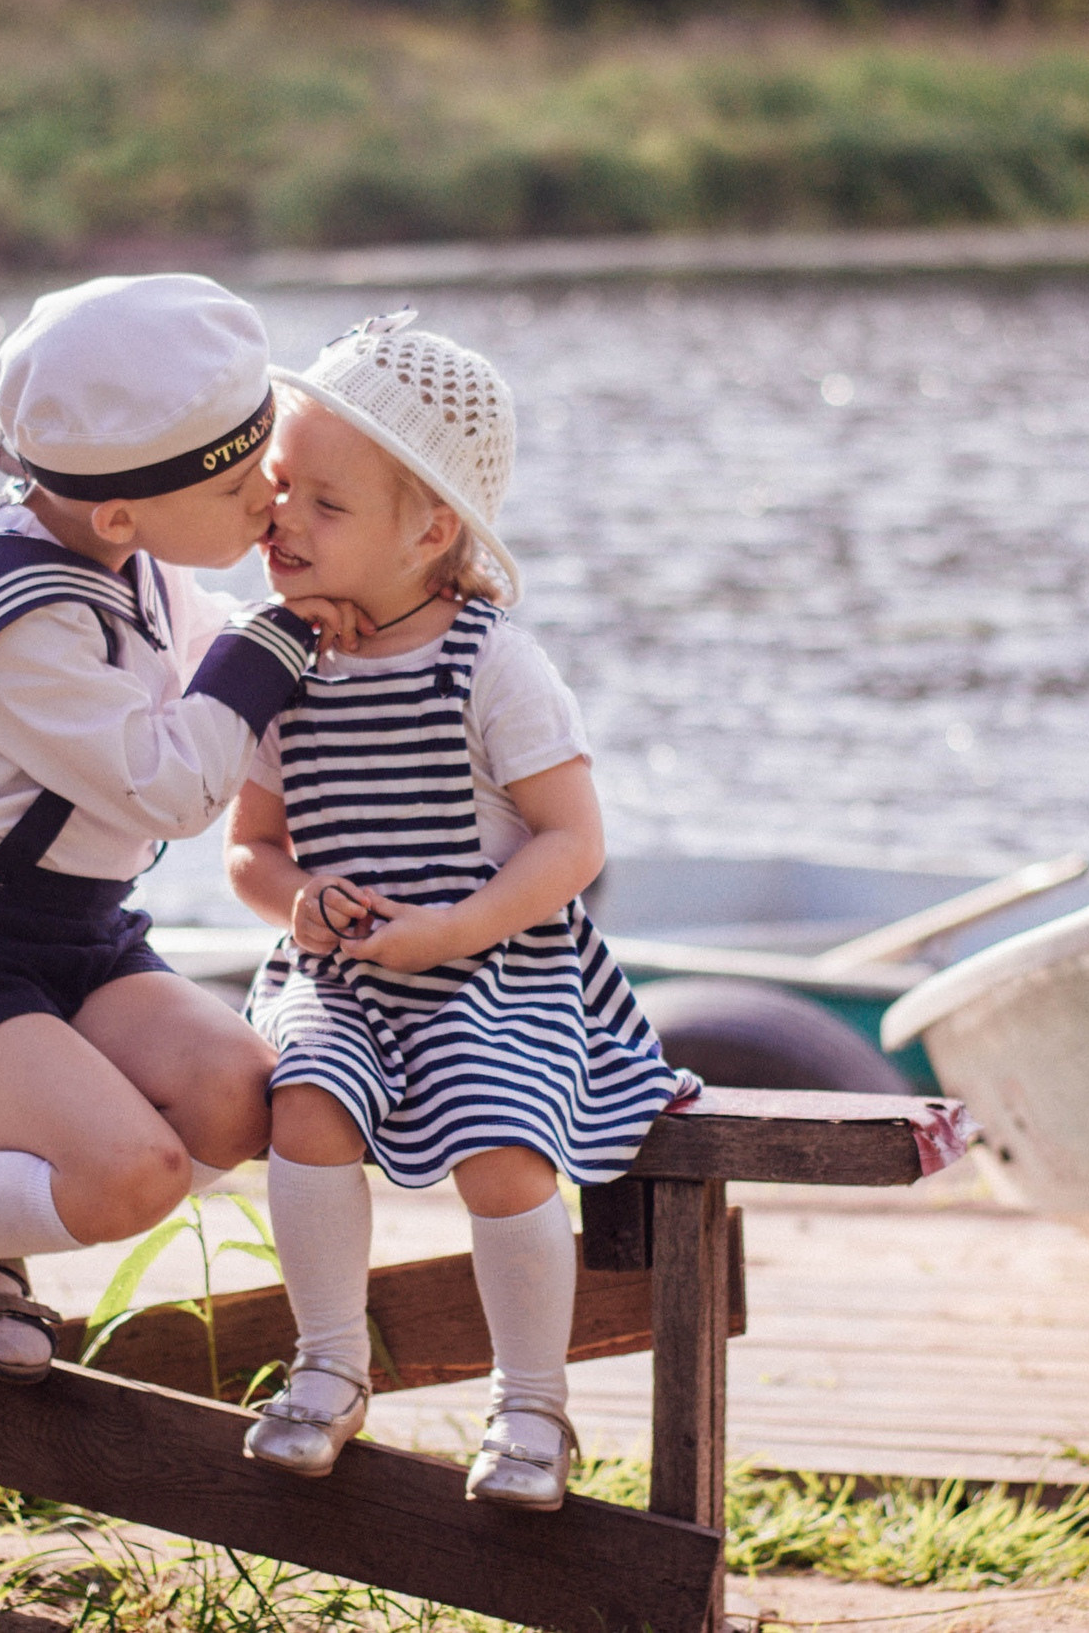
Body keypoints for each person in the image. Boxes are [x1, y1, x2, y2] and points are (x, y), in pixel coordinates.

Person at [0, 274, 358, 1437]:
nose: (271, 496)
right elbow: (175, 782)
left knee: (240, 1099)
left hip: (74, 933)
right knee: (132, 1176)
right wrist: (274, 645)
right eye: (243, 484)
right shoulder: (21, 619)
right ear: (121, 516)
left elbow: (215, 690)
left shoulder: (130, 552)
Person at [223, 312, 697, 1510]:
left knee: (500, 1141)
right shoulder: (279, 665)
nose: (281, 519)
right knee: (306, 1101)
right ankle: (329, 1365)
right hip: (342, 978)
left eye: (326, 504)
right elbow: (248, 851)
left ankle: (531, 1405)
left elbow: (573, 842)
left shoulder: (489, 663)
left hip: (494, 967)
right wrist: (299, 905)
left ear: (430, 531)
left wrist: (455, 929)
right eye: (278, 487)